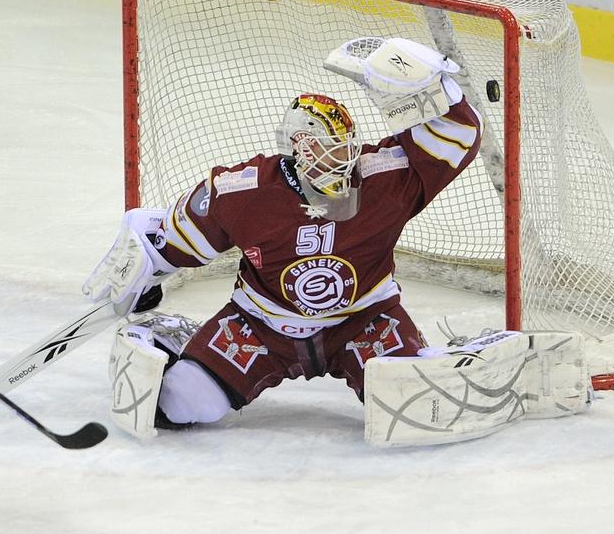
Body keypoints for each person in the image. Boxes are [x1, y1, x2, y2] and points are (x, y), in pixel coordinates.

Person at [85, 37, 484, 438]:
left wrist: (428, 82)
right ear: (301, 148)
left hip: (366, 320)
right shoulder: (245, 191)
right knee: (182, 403)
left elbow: (461, 132)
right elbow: (174, 235)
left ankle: (445, 356)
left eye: (347, 146)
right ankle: (174, 338)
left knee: (422, 407)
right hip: (260, 325)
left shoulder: (385, 177)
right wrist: (142, 264)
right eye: (332, 148)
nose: (346, 157)